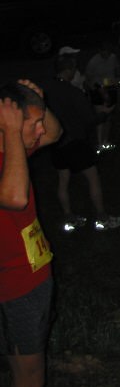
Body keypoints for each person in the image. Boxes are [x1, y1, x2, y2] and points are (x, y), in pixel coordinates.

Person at [0, 80, 62, 387]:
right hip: (13, 279)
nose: (41, 130)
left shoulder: (17, 148)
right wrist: (12, 131)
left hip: (27, 276)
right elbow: (14, 198)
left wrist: (39, 101)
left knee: (25, 365)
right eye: (33, 123)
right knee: (26, 371)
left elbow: (55, 133)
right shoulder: (11, 150)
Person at [44, 55, 120, 232]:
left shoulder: (46, 90)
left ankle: (69, 217)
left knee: (63, 180)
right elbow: (89, 119)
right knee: (93, 177)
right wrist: (104, 114)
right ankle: (102, 216)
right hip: (76, 142)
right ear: (68, 70)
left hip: (56, 143)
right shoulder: (72, 92)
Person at [84, 39, 120, 153]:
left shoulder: (113, 58)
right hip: (97, 90)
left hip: (110, 89)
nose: (106, 54)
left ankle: (106, 140)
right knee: (101, 117)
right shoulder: (93, 62)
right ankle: (99, 143)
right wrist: (97, 90)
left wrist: (116, 81)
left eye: (108, 51)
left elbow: (116, 71)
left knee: (109, 117)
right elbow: (88, 79)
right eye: (104, 51)